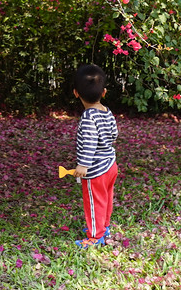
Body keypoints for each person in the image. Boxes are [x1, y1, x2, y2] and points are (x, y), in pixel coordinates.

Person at [71, 63, 118, 248]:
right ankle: (104, 227)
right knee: (106, 198)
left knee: (93, 201)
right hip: (110, 164)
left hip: (96, 169)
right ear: (104, 92)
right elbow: (114, 134)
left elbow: (89, 142)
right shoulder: (107, 112)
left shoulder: (88, 116)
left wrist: (83, 165)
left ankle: (95, 237)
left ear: (76, 93)